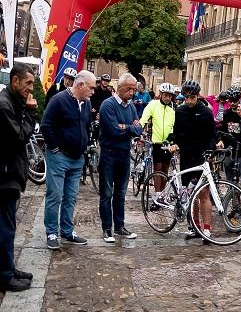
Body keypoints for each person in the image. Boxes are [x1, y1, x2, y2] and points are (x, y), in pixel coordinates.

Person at [40, 70, 96, 250]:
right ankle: (51, 232)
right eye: (91, 88)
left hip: (77, 158)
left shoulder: (86, 104)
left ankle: (67, 230)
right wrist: (55, 148)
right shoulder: (58, 100)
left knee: (71, 197)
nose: (93, 92)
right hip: (59, 157)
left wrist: (85, 146)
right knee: (55, 195)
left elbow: (86, 126)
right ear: (80, 85)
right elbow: (46, 125)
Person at [0, 63, 38, 292]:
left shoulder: (11, 101)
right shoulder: (4, 105)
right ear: (15, 81)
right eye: (28, 83)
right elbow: (19, 137)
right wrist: (31, 112)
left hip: (9, 172)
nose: (31, 89)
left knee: (8, 225)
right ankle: (5, 276)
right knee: (6, 227)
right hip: (5, 175)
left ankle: (8, 267)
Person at [97, 73, 143, 243]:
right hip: (109, 153)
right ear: (119, 87)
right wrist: (130, 127)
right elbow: (114, 131)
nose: (132, 93)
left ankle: (120, 226)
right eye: (128, 89)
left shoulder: (131, 107)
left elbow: (139, 128)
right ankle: (107, 228)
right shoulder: (108, 105)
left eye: (134, 89)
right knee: (106, 193)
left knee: (121, 193)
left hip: (124, 154)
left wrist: (126, 126)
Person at [171, 80, 216, 239]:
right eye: (187, 98)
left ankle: (207, 228)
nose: (189, 101)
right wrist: (173, 143)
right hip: (185, 157)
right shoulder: (180, 110)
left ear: (198, 96)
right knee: (191, 195)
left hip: (201, 157)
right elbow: (175, 132)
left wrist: (210, 150)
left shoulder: (206, 112)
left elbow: (212, 135)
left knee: (204, 193)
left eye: (192, 98)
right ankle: (194, 227)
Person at [217, 85, 241, 198]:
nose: (232, 103)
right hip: (230, 150)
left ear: (240, 99)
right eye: (230, 100)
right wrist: (221, 141)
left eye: (235, 100)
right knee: (230, 181)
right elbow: (223, 130)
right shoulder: (227, 113)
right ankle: (234, 205)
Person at [141, 82, 177, 192]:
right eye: (165, 95)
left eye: (170, 96)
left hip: (168, 143)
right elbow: (144, 118)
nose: (167, 98)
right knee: (158, 168)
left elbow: (175, 126)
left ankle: (161, 194)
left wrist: (173, 140)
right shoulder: (153, 105)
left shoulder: (173, 109)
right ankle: (157, 195)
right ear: (160, 94)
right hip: (156, 142)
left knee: (165, 169)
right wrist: (139, 131)